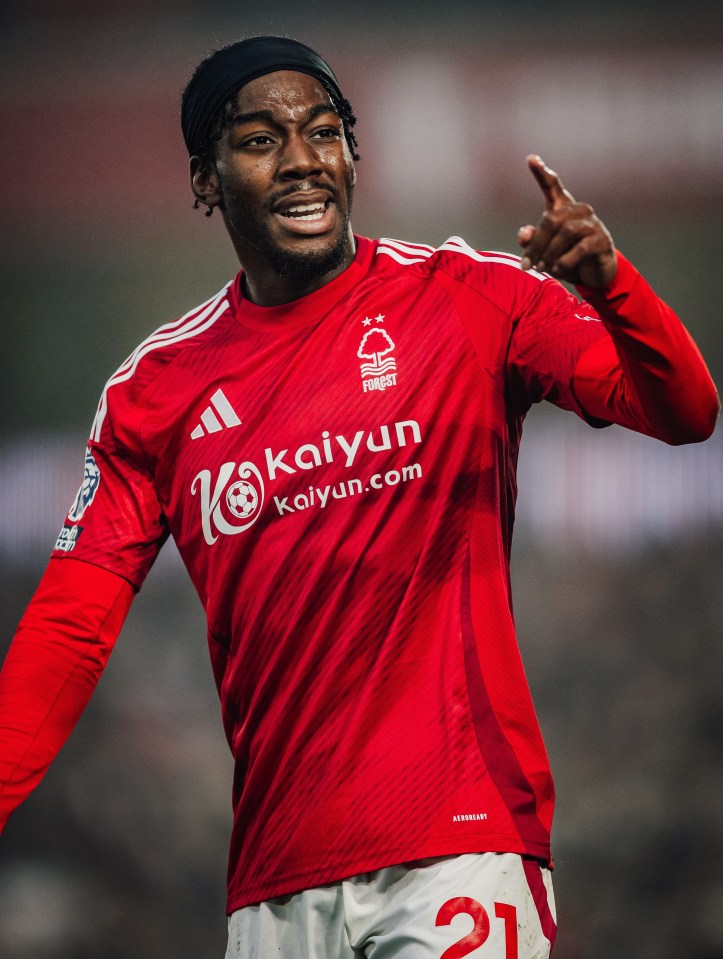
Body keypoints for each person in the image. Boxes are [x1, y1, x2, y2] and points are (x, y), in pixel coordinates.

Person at [0, 35, 718, 959]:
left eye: (323, 131)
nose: (301, 159)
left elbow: (685, 412)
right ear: (204, 180)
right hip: (274, 882)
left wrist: (617, 289)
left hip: (459, 844)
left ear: (352, 154)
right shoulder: (155, 392)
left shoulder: (468, 299)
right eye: (259, 139)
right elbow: (70, 627)